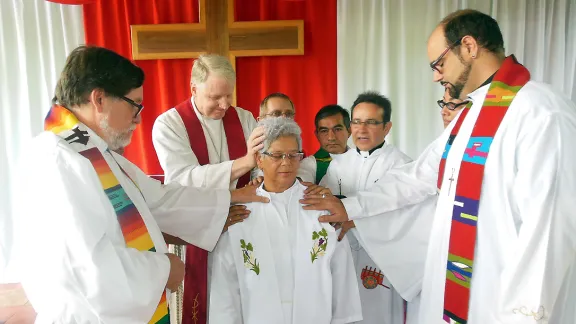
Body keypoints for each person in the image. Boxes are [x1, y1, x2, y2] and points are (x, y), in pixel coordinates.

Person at [305, 9, 576, 323]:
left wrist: (525, 315)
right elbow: (418, 176)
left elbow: (550, 229)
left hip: (497, 295)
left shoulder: (540, 112)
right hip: (456, 286)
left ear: (469, 47)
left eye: (439, 63)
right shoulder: (470, 116)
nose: (436, 76)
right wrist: (350, 207)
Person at [9, 46, 267, 323]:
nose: (139, 118)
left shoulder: (93, 153)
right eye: (134, 105)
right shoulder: (59, 160)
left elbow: (157, 199)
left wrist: (225, 204)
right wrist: (163, 269)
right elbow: (91, 270)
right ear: (99, 99)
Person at [210, 117, 362, 324]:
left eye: (293, 155)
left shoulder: (321, 207)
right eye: (277, 155)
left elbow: (342, 276)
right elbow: (225, 288)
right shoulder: (240, 214)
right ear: (258, 159)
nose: (286, 162)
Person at [151, 54, 264, 324]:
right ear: (194, 89)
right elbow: (182, 180)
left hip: (241, 225)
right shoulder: (169, 124)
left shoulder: (245, 118)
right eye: (215, 97)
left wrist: (255, 180)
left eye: (228, 96)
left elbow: (260, 171)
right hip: (194, 231)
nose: (224, 105)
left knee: (240, 308)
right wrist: (243, 166)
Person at [319, 92, 427, 324]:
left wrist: (357, 220)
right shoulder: (339, 164)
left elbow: (409, 218)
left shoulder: (402, 165)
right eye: (356, 122)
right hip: (343, 256)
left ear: (387, 127)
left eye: (371, 122)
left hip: (381, 260)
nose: (361, 129)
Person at [255, 92, 315, 183]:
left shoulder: (300, 152)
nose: (283, 118)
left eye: (288, 114)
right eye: (276, 114)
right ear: (260, 120)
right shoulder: (249, 153)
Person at [312, 104, 351, 184]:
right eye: (324, 131)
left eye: (337, 129)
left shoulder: (363, 161)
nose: (331, 137)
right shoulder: (310, 164)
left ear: (349, 131)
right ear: (317, 135)